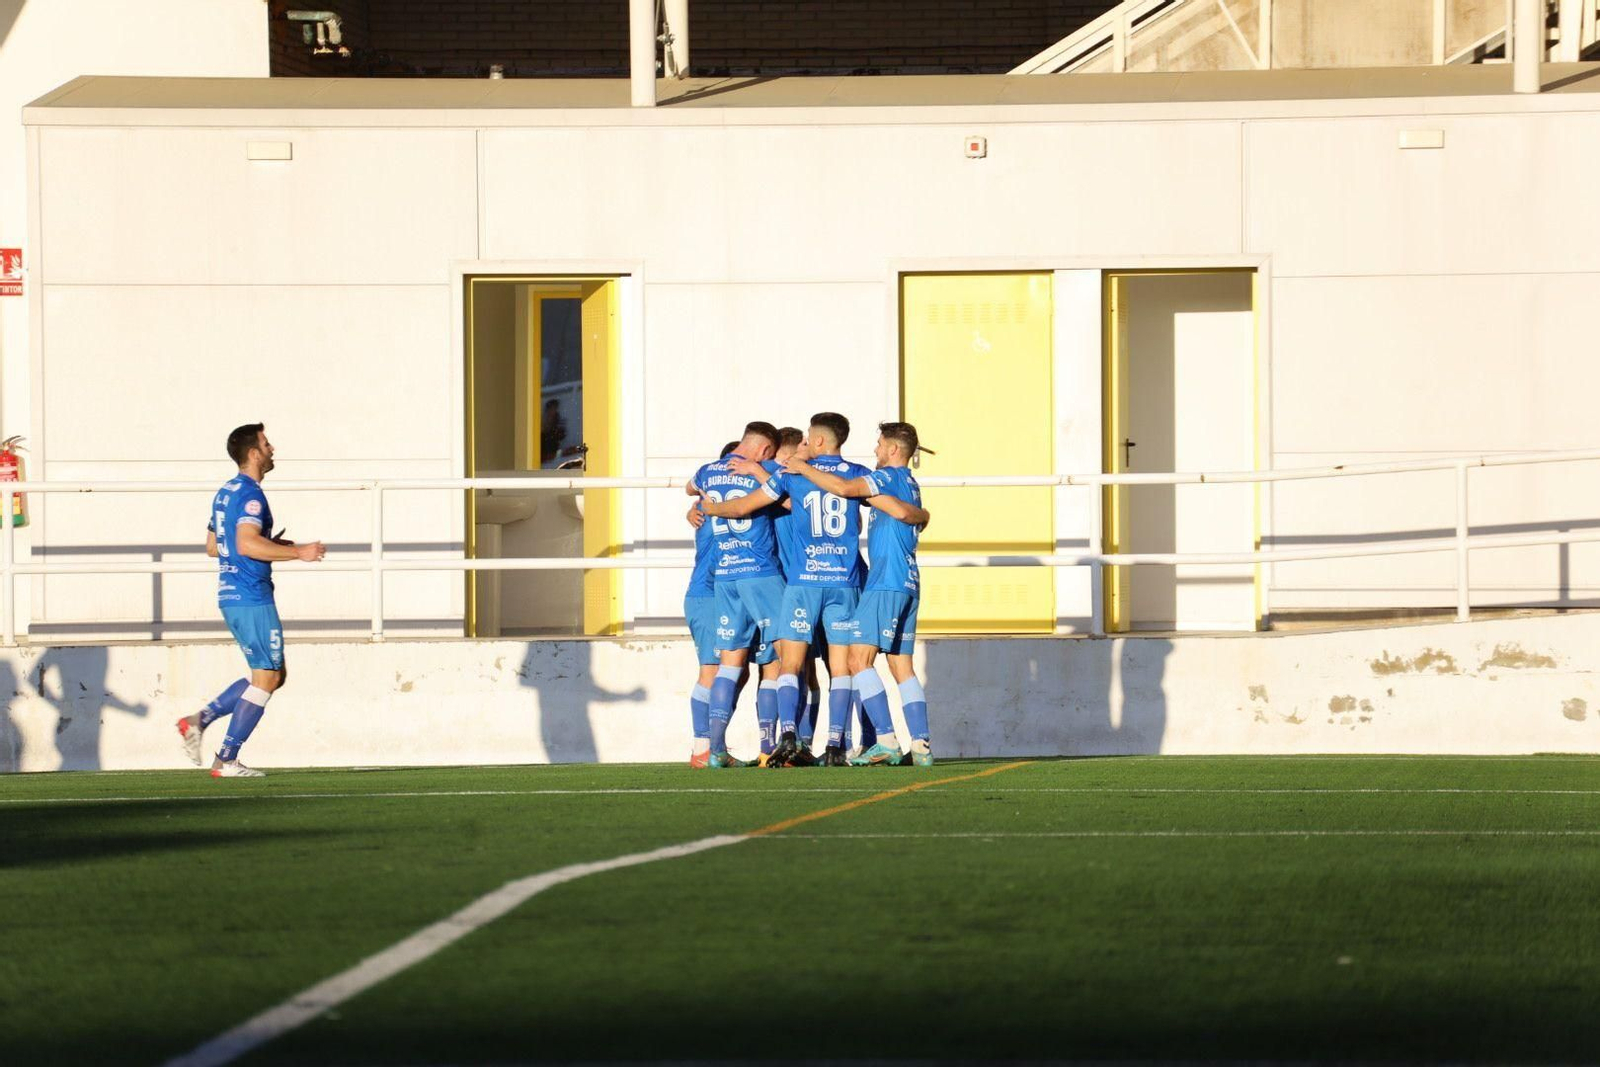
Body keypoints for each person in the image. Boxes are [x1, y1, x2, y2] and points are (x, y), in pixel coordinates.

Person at [175, 424, 325, 777]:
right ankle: (225, 759)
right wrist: (299, 551)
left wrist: (277, 547)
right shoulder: (251, 496)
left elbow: (215, 547)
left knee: (272, 674)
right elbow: (245, 544)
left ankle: (198, 720)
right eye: (266, 443)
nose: (272, 448)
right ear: (254, 453)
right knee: (268, 677)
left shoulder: (225, 493)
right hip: (251, 595)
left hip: (232, 594)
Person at [783, 421, 933, 766]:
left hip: (885, 583)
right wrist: (920, 514)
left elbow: (845, 487)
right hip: (908, 582)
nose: (876, 451)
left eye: (880, 445)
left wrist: (803, 467)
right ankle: (921, 747)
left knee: (856, 660)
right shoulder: (909, 483)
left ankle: (886, 741)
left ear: (894, 449)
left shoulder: (887, 477)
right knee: (902, 667)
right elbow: (902, 511)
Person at [686, 421, 786, 768]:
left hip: (725, 580)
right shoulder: (766, 470)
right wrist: (759, 471)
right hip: (742, 579)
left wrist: (701, 500)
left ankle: (714, 749)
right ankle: (769, 748)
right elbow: (790, 500)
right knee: (780, 659)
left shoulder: (707, 476)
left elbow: (690, 485)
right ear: (763, 451)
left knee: (733, 667)